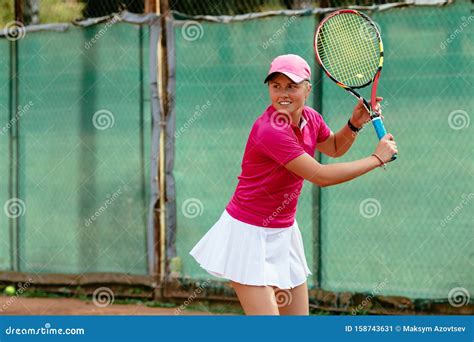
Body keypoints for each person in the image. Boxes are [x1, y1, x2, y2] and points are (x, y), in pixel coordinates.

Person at [190, 54, 398, 315]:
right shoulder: (270, 130)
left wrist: (354, 124)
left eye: (292, 86)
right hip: (248, 235)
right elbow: (321, 176)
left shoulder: (310, 118)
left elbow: (333, 147)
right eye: (275, 86)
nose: (282, 93)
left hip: (284, 232)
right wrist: (377, 158)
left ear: (308, 88)